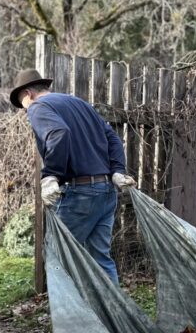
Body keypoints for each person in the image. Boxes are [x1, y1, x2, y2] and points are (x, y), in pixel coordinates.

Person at [9, 68, 135, 283]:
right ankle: (110, 305)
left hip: (80, 195)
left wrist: (51, 175)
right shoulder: (78, 103)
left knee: (59, 257)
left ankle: (71, 306)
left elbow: (59, 133)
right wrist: (117, 171)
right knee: (99, 259)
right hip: (106, 192)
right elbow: (113, 138)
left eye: (23, 104)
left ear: (29, 94)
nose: (25, 111)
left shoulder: (38, 107)